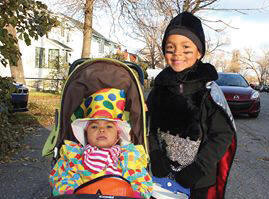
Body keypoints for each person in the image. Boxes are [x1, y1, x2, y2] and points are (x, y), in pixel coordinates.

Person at [146, 11, 237, 199]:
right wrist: (155, 156)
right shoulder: (159, 88)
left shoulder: (208, 90)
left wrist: (199, 168)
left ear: (199, 52)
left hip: (199, 181)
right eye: (170, 48)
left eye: (186, 48)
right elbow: (149, 126)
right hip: (161, 176)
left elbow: (223, 134)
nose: (177, 53)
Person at [49, 88, 153, 198]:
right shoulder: (75, 156)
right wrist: (68, 192)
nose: (101, 130)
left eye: (109, 126)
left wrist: (137, 194)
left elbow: (140, 178)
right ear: (86, 134)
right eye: (94, 126)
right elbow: (62, 177)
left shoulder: (127, 156)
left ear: (117, 136)